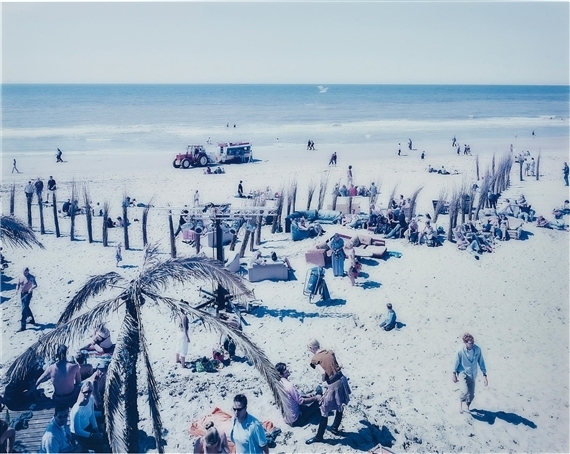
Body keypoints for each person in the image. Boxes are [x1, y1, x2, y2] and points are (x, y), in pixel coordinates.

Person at [305, 339, 351, 445]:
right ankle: (334, 428)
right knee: (340, 405)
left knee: (324, 409)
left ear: (312, 348)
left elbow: (322, 373)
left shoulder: (315, 359)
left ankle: (319, 437)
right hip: (342, 380)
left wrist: (323, 381)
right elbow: (341, 364)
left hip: (333, 384)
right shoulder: (330, 352)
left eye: (309, 348)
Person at [275, 362, 321, 427]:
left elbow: (290, 396)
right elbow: (301, 401)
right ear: (281, 374)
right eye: (285, 369)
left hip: (287, 419)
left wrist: (305, 396)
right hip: (296, 420)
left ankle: (316, 395)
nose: (287, 370)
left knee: (302, 394)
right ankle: (319, 394)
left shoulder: (278, 385)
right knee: (317, 402)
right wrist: (316, 398)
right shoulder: (289, 386)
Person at [452, 333, 488, 413]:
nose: (472, 344)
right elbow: (455, 361)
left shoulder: (477, 350)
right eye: (470, 343)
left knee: (471, 394)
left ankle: (467, 407)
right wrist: (453, 373)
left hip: (472, 373)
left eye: (473, 342)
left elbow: (481, 362)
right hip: (462, 372)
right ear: (465, 343)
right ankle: (460, 402)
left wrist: (484, 375)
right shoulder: (460, 350)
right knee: (464, 391)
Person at [70, 382, 104, 452]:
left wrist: (96, 429)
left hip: (88, 427)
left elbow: (92, 415)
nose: (87, 394)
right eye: (85, 392)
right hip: (79, 434)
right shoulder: (77, 410)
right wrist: (92, 435)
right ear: (81, 392)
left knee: (102, 439)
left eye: (89, 391)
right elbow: (77, 431)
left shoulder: (91, 399)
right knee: (98, 447)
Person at [17, 267, 38, 332]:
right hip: (22, 293)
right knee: (26, 307)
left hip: (28, 294)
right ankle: (32, 320)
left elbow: (35, 285)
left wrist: (31, 288)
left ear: (28, 271)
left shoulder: (31, 277)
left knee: (24, 309)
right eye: (24, 272)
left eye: (27, 272)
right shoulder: (20, 276)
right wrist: (17, 290)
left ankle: (23, 326)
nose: (26, 273)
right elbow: (18, 284)